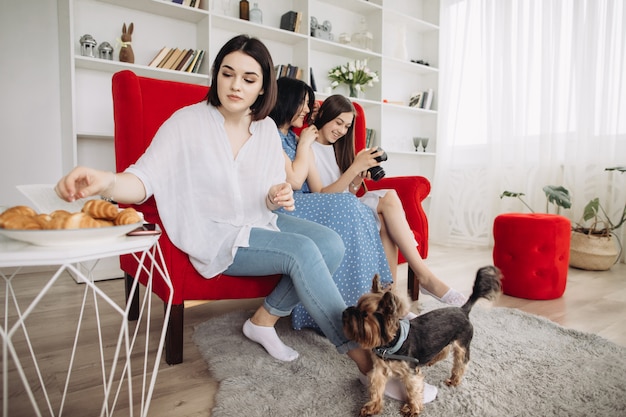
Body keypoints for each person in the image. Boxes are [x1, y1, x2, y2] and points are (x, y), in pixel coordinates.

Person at [307, 94, 467, 306]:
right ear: (325, 115)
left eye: (347, 126)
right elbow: (322, 195)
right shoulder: (309, 147)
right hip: (330, 213)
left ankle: (390, 297)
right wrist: (355, 167)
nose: (342, 130)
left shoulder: (339, 147)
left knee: (387, 209)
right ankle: (424, 279)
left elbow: (350, 192)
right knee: (388, 202)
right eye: (338, 123)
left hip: (348, 208)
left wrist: (356, 178)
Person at [269, 77, 393, 331]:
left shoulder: (293, 137)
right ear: (287, 101)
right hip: (288, 203)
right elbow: (295, 180)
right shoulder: (271, 133)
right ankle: (347, 311)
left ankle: (374, 301)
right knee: (347, 204)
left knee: (352, 205)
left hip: (305, 201)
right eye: (302, 104)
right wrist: (306, 142)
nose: (306, 110)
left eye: (308, 105)